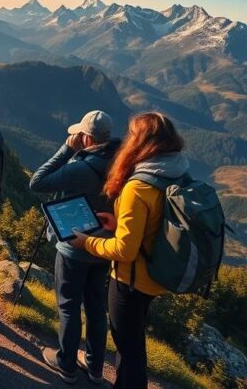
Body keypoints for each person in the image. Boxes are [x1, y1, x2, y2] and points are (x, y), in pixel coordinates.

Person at [70, 113, 186, 389]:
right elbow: (154, 222)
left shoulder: (138, 186)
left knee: (130, 351)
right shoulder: (175, 171)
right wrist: (119, 222)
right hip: (156, 274)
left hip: (131, 281)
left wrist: (86, 242)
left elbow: (124, 249)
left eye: (133, 134)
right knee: (132, 346)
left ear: (141, 142)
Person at [30, 110, 121, 385]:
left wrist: (65, 150)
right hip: (105, 245)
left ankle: (66, 364)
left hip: (75, 247)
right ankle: (94, 368)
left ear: (86, 137)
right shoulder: (121, 161)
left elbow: (38, 182)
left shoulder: (81, 168)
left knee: (68, 305)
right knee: (95, 306)